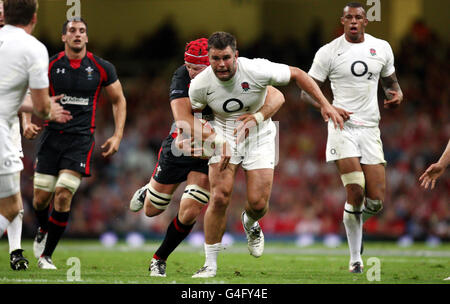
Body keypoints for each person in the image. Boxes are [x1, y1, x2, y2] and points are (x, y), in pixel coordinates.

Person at [188, 31, 344, 278]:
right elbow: (197, 117)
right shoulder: (199, 85)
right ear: (209, 58)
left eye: (226, 57)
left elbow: (298, 75)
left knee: (259, 204)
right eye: (216, 58)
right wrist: (213, 138)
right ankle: (210, 264)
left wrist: (325, 104)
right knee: (219, 197)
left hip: (259, 135)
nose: (221, 64)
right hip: (224, 138)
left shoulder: (257, 69)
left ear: (235, 56)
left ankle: (250, 222)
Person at [129, 38, 286, 277]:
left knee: (191, 210)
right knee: (151, 210)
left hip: (213, 147)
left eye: (197, 68)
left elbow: (275, 94)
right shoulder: (183, 77)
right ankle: (149, 188)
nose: (191, 72)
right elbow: (183, 119)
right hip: (186, 141)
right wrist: (185, 137)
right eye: (188, 66)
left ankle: (159, 258)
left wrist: (257, 117)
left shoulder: (234, 72)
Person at [301, 2, 403, 273]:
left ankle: (351, 219)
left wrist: (397, 94)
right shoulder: (328, 52)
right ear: (343, 21)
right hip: (341, 126)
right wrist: (328, 106)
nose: (355, 21)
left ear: (366, 21)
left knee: (376, 201)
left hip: (370, 129)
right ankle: (355, 259)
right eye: (350, 18)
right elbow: (305, 92)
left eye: (359, 17)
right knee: (355, 189)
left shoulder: (381, 47)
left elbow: (391, 83)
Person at [28, 17, 127, 270]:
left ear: (86, 37)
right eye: (72, 31)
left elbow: (119, 100)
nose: (77, 34)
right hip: (51, 138)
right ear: (64, 37)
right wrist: (26, 122)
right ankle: (42, 226)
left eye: (82, 30)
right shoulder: (49, 65)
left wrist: (117, 135)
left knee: (62, 195)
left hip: (80, 140)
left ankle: (46, 256)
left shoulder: (101, 67)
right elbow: (28, 93)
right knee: (40, 200)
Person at [0, 0, 71, 269]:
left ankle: (16, 251)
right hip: (2, 130)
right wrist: (48, 109)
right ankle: (16, 250)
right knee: (10, 207)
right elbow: (42, 105)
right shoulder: (34, 48)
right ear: (34, 18)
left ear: (5, 14)